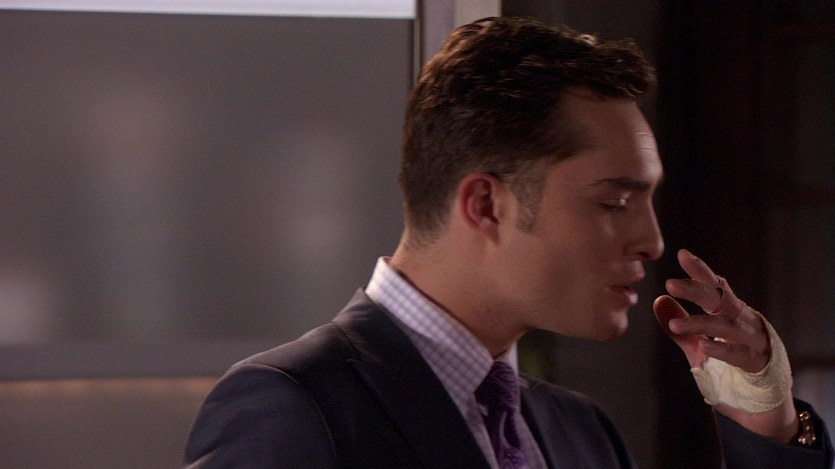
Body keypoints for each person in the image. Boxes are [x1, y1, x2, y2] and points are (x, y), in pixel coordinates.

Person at [183, 17, 833, 468]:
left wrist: (765, 421)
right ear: (486, 205)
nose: (650, 240)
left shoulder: (579, 433)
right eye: (613, 202)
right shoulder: (295, 409)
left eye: (649, 201)